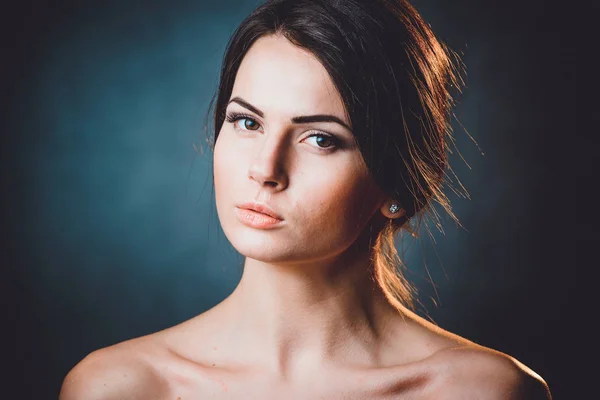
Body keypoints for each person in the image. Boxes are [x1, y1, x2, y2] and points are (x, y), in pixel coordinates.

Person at [59, 0, 552, 398]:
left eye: (321, 139)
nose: (265, 170)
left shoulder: (486, 391)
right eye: (247, 122)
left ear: (401, 184)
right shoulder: (120, 387)